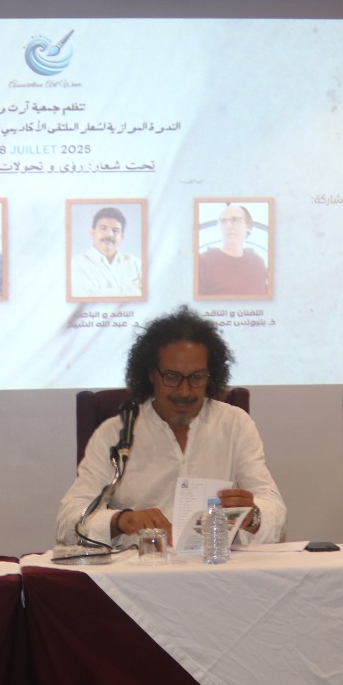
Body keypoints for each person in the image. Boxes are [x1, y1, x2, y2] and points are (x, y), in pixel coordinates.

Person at [56, 306, 285, 547]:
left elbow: (276, 512)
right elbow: (68, 523)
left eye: (197, 377)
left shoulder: (235, 424)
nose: (184, 392)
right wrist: (120, 521)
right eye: (172, 377)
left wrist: (254, 516)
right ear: (151, 374)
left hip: (216, 565)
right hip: (141, 566)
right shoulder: (115, 434)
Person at [70, 206, 143, 298]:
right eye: (103, 228)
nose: (109, 234)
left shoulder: (135, 263)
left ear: (122, 236)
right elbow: (84, 296)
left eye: (115, 230)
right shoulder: (75, 263)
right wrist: (134, 291)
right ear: (92, 232)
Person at [197, 203, 268, 297]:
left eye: (236, 220)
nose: (229, 226)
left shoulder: (259, 263)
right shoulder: (203, 262)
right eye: (223, 221)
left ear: (248, 226)